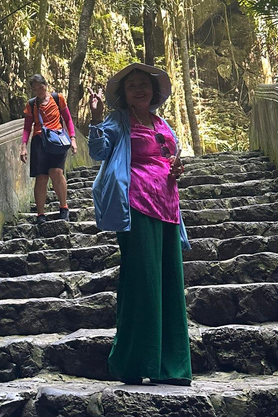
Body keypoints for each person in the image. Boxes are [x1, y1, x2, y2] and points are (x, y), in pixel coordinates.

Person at [87, 63, 193, 386]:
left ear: (153, 91)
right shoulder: (119, 121)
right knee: (142, 282)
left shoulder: (163, 125)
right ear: (125, 95)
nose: (138, 89)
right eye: (131, 86)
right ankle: (135, 361)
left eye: (143, 84)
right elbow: (98, 150)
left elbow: (169, 161)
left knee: (169, 285)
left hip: (168, 209)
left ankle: (171, 366)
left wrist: (175, 170)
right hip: (136, 207)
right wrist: (94, 118)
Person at [20, 74, 78, 223]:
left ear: (46, 85)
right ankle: (40, 214)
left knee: (56, 172)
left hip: (57, 140)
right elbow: (27, 128)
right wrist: (23, 147)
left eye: (41, 87)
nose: (39, 91)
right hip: (39, 141)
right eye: (35, 89)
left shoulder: (58, 98)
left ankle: (64, 207)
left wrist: (73, 138)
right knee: (41, 177)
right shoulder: (32, 104)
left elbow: (68, 119)